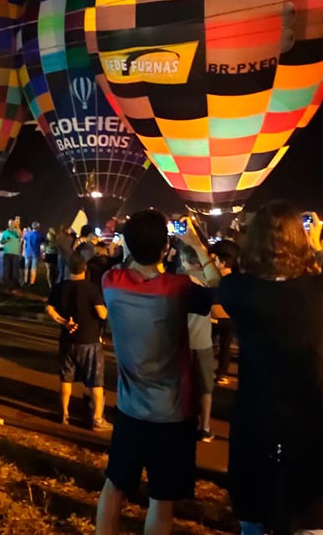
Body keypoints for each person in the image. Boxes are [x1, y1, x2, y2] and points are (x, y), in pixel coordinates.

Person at [217, 202, 323, 535]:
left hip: (255, 419)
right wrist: (319, 249)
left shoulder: (238, 289)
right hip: (309, 421)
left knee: (253, 518)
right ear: (301, 240)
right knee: (311, 519)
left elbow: (221, 280)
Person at [95, 211, 222, 535]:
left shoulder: (110, 282)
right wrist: (195, 244)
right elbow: (223, 297)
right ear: (167, 247)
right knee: (161, 501)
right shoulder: (178, 288)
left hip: (129, 409)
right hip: (172, 414)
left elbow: (124, 262)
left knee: (115, 487)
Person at [45, 252, 110, 430]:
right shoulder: (91, 289)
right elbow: (101, 313)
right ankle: (97, 419)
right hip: (89, 341)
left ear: (68, 268)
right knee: (95, 381)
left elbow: (49, 308)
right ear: (85, 269)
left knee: (66, 379)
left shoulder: (60, 287)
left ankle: (64, 414)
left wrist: (64, 322)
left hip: (67, 340)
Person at [177, 243, 215, 442]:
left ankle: (181, 422)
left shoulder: (178, 281)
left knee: (180, 384)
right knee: (205, 387)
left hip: (180, 341)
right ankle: (205, 426)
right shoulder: (210, 280)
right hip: (203, 341)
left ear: (183, 259)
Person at [209, 239, 240, 385]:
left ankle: (207, 370)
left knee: (210, 345)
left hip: (216, 318)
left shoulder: (217, 279)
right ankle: (222, 373)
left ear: (221, 262)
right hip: (231, 319)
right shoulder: (237, 279)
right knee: (225, 347)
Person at [0, 218, 22, 286]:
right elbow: (1, 242)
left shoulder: (16, 231)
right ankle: (7, 283)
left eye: (13, 223)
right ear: (8, 224)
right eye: (10, 223)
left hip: (15, 253)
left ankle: (15, 283)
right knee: (7, 269)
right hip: (7, 253)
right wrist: (6, 240)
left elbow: (21, 235)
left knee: (15, 269)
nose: (12, 224)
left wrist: (17, 225)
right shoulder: (5, 232)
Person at [22, 221, 42, 286]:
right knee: (33, 268)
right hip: (35, 253)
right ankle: (32, 282)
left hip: (28, 252)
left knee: (26, 267)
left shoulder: (27, 234)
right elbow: (43, 241)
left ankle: (25, 280)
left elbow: (23, 239)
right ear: (38, 227)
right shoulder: (39, 234)